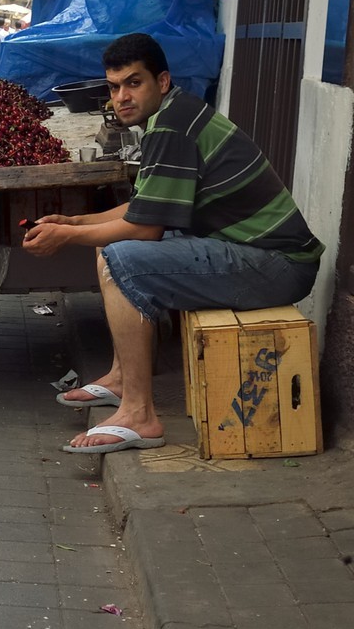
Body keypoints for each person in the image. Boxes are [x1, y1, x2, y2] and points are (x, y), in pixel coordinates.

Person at [24, 33, 323, 454]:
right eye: (113, 87)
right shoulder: (172, 116)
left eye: (134, 82)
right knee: (107, 246)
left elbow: (143, 230)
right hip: (260, 255)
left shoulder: (172, 127)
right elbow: (143, 209)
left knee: (122, 257)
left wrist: (66, 236)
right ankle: (121, 378)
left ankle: (139, 415)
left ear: (162, 81)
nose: (121, 97)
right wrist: (74, 221)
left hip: (277, 264)